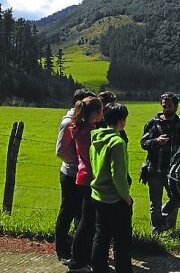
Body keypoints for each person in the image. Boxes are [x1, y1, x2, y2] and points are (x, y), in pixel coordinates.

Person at [140, 92, 180, 233]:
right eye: (164, 106)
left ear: (176, 106)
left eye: (169, 106)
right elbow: (143, 143)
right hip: (156, 169)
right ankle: (157, 231)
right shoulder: (152, 123)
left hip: (175, 170)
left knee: (177, 198)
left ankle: (168, 227)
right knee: (155, 203)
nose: (166, 109)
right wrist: (156, 141)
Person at [89, 103, 133, 273]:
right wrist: (126, 197)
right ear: (122, 121)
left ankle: (98, 268)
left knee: (101, 237)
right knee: (122, 241)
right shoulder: (117, 142)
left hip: (98, 195)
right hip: (115, 198)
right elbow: (119, 176)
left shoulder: (96, 138)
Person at [55, 88, 96, 264]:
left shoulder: (82, 121)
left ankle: (79, 252)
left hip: (80, 174)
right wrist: (80, 162)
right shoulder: (68, 123)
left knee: (81, 214)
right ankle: (63, 251)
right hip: (71, 174)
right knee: (67, 213)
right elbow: (60, 151)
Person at [68, 96, 104, 272]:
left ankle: (79, 259)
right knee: (87, 222)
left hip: (82, 176)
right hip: (91, 178)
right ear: (96, 113)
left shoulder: (79, 128)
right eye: (101, 110)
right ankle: (78, 261)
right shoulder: (93, 132)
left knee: (86, 220)